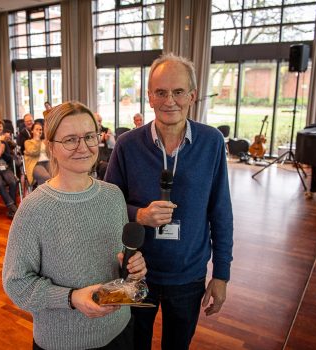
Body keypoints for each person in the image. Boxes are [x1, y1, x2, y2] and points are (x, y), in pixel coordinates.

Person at [105, 53, 233, 350]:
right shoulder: (127, 145)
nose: (169, 100)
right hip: (137, 271)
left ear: (192, 95)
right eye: (161, 92)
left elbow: (221, 212)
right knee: (135, 345)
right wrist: (140, 215)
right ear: (149, 97)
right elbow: (107, 207)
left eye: (178, 92)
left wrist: (222, 274)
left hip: (188, 275)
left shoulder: (212, 142)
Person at [2, 101, 147, 350]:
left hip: (119, 329)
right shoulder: (34, 208)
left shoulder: (113, 195)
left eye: (90, 136)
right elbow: (16, 284)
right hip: (63, 341)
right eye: (70, 139)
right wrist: (70, 298)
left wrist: (133, 267)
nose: (83, 147)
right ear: (52, 147)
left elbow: (117, 262)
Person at [23, 122, 50, 186]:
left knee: (57, 176)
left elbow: (50, 154)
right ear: (32, 131)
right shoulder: (28, 142)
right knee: (46, 177)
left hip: (48, 162)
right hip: (35, 164)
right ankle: (44, 194)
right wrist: (37, 140)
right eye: (37, 129)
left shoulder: (44, 141)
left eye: (40, 129)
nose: (39, 131)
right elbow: (34, 153)